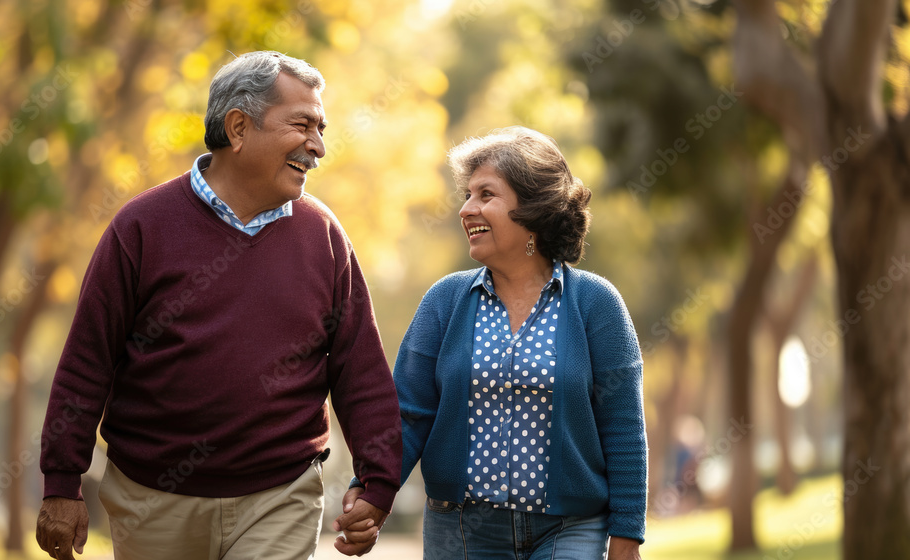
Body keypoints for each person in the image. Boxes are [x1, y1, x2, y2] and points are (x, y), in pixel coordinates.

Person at [36, 51, 401, 560]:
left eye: (321, 128)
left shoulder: (323, 235)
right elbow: (87, 361)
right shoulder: (140, 227)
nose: (318, 146)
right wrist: (60, 481)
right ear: (238, 128)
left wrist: (379, 481)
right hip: (151, 499)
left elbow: (360, 370)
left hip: (280, 497)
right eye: (302, 125)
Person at [335, 127, 647, 559]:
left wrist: (627, 536)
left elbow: (623, 428)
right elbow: (409, 415)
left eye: (486, 194)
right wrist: (373, 491)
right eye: (467, 194)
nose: (466, 209)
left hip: (569, 530)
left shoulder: (596, 304)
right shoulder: (444, 301)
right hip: (461, 530)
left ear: (534, 208)